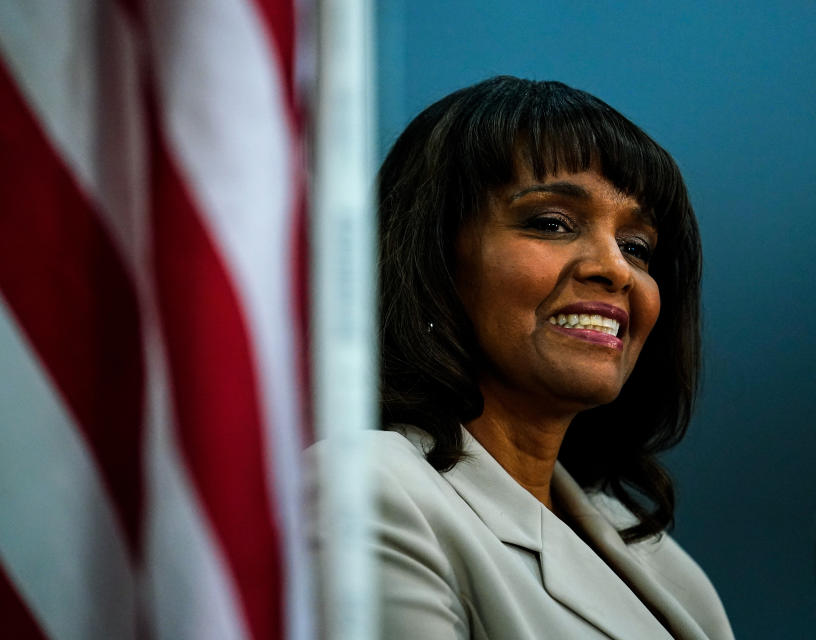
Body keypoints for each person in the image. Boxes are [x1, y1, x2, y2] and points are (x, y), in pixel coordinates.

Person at [307, 76, 734, 639]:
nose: (615, 268)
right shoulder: (368, 487)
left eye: (637, 247)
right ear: (433, 259)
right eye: (551, 223)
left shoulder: (652, 552)